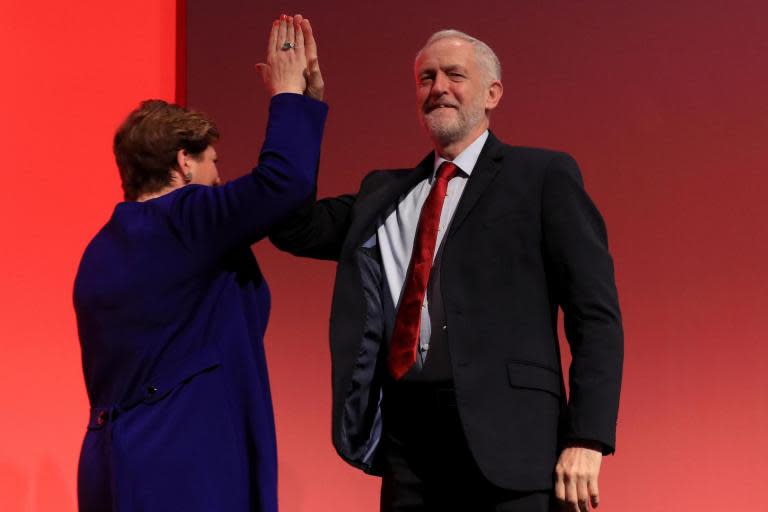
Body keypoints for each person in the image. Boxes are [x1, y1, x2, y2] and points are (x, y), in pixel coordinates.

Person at [270, 29, 623, 512]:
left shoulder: (542, 177)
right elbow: (291, 226)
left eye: (455, 75)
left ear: (492, 93)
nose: (438, 87)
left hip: (513, 444)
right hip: (409, 446)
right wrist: (297, 108)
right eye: (426, 78)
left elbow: (595, 316)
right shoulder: (383, 194)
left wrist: (588, 436)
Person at [73, 14, 324, 512]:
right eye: (214, 162)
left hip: (112, 465)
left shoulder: (100, 249)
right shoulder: (185, 220)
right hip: (185, 464)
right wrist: (289, 93)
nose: (218, 177)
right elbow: (281, 184)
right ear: (184, 161)